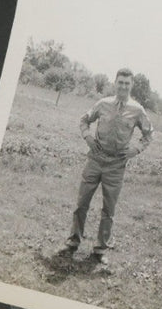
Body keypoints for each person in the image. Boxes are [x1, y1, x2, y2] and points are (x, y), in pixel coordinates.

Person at [62, 68, 154, 272]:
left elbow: (148, 134)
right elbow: (84, 120)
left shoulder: (137, 110)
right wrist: (87, 137)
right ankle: (73, 242)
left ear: (131, 86)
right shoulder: (102, 104)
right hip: (95, 160)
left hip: (116, 166)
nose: (123, 86)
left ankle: (100, 249)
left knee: (108, 210)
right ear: (115, 83)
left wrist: (136, 149)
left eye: (127, 83)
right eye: (120, 82)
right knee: (81, 204)